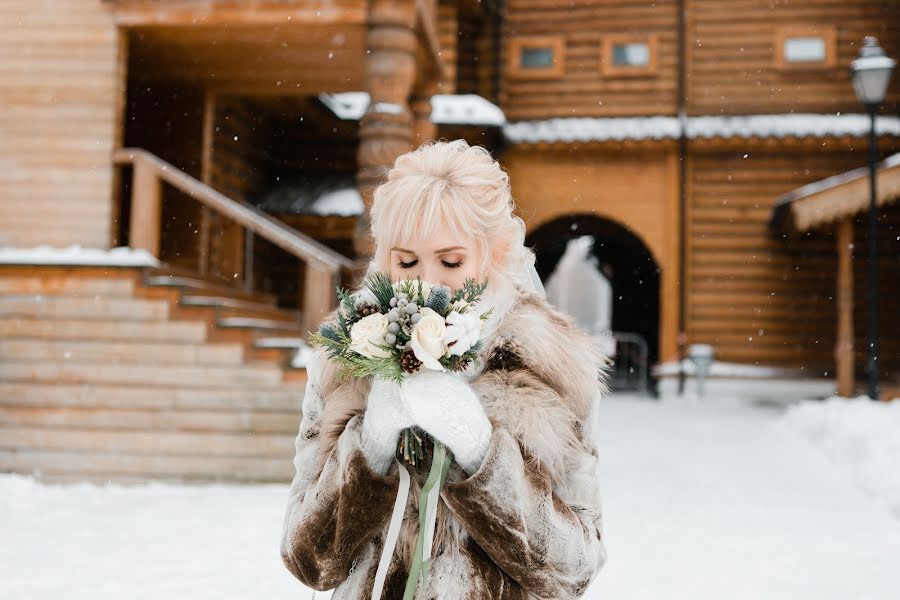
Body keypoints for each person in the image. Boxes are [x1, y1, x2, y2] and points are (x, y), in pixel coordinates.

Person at [280, 139, 609, 599]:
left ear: (492, 254)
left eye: (451, 261)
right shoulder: (345, 362)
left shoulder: (553, 368)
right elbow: (309, 562)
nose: (427, 283)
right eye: (406, 261)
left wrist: (481, 455)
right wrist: (369, 446)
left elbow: (572, 570)